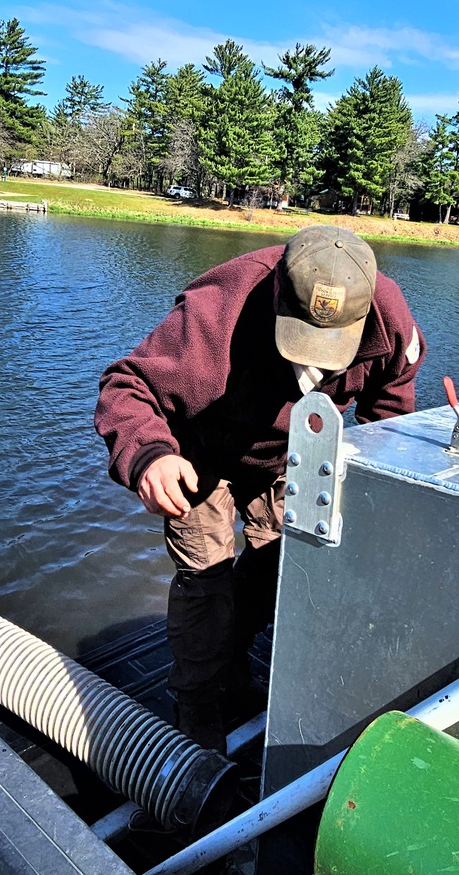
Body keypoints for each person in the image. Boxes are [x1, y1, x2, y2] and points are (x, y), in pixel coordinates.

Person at [94, 225, 426, 751]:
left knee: (279, 567)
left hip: (289, 453)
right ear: (278, 294)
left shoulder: (390, 320)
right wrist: (150, 457)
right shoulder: (219, 309)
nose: (316, 358)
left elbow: (390, 414)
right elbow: (125, 386)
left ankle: (235, 665)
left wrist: (380, 485)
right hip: (200, 453)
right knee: (207, 583)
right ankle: (197, 705)